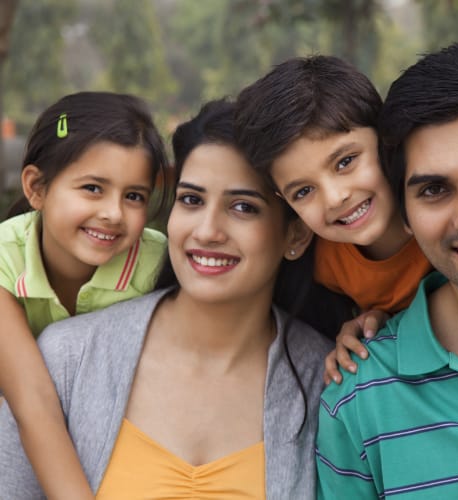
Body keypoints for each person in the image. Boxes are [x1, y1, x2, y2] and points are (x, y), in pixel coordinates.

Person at [235, 52, 458, 481]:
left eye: (345, 162)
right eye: (304, 190)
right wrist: (360, 327)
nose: (336, 196)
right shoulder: (324, 266)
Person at [0, 99, 333, 499]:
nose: (207, 231)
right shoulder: (66, 358)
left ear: (296, 235)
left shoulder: (329, 384)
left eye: (243, 207)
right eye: (191, 200)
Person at [0, 91, 169, 500]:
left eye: (134, 196)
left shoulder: (159, 266)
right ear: (36, 188)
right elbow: (31, 400)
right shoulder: (5, 257)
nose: (113, 212)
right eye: (93, 188)